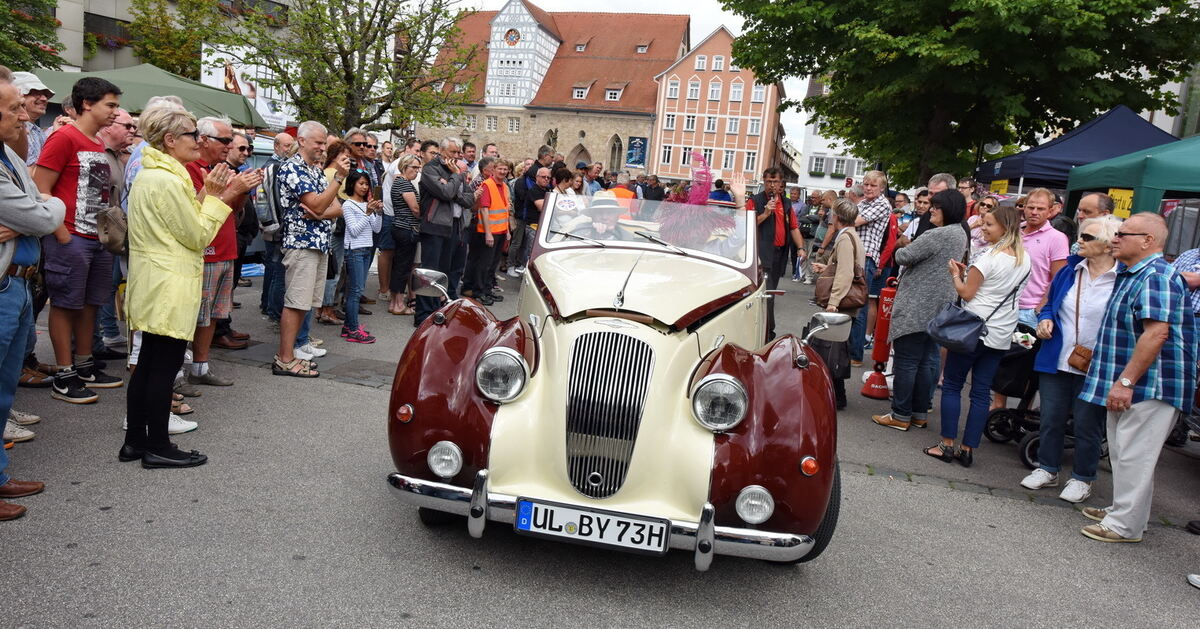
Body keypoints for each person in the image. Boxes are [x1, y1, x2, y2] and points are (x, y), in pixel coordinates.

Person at [124, 104, 234, 468]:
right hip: (167, 283)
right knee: (162, 366)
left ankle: (136, 441)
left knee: (149, 363)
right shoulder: (167, 179)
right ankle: (157, 445)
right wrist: (215, 196)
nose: (197, 141)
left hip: (155, 279)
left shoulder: (155, 173)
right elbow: (197, 234)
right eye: (191, 134)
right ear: (170, 140)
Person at [1076, 213, 1196, 543]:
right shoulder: (1136, 273)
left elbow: (1156, 334)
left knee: (1133, 454)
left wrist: (1126, 382)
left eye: (1124, 233)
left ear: (1148, 241)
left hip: (1150, 383)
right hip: (1137, 381)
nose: (1115, 238)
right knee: (1125, 451)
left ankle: (1124, 525)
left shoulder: (1156, 275)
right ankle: (1126, 513)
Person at [32, 77, 124, 403]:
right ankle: (65, 373)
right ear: (87, 103)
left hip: (97, 238)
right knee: (65, 304)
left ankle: (85, 364)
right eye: (110, 105)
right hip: (70, 237)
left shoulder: (96, 142)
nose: (115, 111)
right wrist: (60, 233)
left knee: (90, 303)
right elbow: (40, 185)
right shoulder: (63, 137)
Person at [1020, 215, 1122, 502]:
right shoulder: (1068, 270)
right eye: (1081, 235)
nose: (1079, 240)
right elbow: (1049, 304)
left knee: (1088, 424)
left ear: (1106, 245)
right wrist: (1046, 319)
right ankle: (1048, 468)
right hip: (1058, 356)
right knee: (1050, 418)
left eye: (1088, 237)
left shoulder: (1123, 277)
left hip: (1097, 363)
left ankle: (1082, 478)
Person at [0, 72, 64, 516]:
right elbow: (42, 216)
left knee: (5, 390)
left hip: (20, 281)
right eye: (13, 109)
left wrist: (41, 207)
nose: (23, 115)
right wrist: (41, 208)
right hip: (6, 282)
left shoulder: (8, 154)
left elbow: (42, 204)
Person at [925, 206, 1030, 467]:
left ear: (1005, 228)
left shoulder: (989, 258)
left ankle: (947, 444)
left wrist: (955, 275)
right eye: (983, 223)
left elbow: (967, 293)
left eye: (989, 224)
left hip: (972, 328)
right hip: (1001, 331)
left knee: (952, 385)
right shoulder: (1024, 259)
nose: (983, 228)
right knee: (981, 392)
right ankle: (968, 448)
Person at [872, 190, 968, 431]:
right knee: (926, 361)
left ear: (948, 209)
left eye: (936, 206)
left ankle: (900, 415)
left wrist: (903, 242)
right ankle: (918, 412)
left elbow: (904, 256)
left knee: (907, 361)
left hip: (918, 304)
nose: (931, 210)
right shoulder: (960, 233)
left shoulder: (937, 234)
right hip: (939, 305)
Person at [184, 119, 261, 388]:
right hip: (207, 250)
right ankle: (179, 372)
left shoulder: (219, 168)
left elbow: (233, 208)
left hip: (226, 247)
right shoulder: (190, 168)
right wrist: (235, 190)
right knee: (195, 315)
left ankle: (200, 367)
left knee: (214, 314)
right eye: (225, 141)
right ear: (204, 139)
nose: (230, 147)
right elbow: (200, 208)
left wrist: (243, 189)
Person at [274, 121, 349, 377]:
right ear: (302, 141)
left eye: (323, 142)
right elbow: (319, 205)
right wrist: (336, 181)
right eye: (318, 142)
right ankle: (285, 358)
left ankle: (292, 354)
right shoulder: (292, 168)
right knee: (295, 302)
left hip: (317, 244)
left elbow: (337, 208)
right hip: (301, 244)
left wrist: (319, 211)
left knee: (304, 304)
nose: (322, 147)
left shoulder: (314, 171)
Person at [992, 188, 1068, 410]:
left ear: (1052, 211)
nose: (1034, 212)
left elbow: (1058, 277)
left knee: (1024, 360)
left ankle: (1022, 412)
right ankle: (998, 406)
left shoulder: (1056, 238)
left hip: (1029, 313)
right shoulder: (1016, 232)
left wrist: (1041, 306)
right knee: (1001, 356)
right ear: (1023, 207)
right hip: (1006, 307)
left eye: (1040, 208)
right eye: (1030, 207)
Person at [810, 199, 865, 410]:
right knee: (836, 349)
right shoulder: (852, 236)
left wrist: (833, 302)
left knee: (831, 349)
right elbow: (844, 267)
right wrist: (825, 268)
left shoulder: (844, 239)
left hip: (842, 302)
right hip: (847, 300)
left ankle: (835, 396)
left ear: (837, 217)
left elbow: (845, 272)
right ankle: (836, 395)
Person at [414, 138, 474, 327]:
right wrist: (455, 180)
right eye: (454, 152)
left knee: (444, 272)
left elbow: (469, 198)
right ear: (442, 151)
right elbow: (446, 193)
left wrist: (452, 184)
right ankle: (422, 314)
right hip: (434, 225)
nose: (457, 156)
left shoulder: (455, 171)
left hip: (454, 226)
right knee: (430, 272)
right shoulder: (431, 169)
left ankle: (437, 310)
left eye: (459, 153)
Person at [747, 166, 805, 340]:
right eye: (768, 182)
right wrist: (765, 213)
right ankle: (767, 333)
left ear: (781, 184)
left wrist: (801, 248)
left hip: (780, 254)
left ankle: (765, 330)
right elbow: (747, 224)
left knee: (771, 293)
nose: (772, 185)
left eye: (775, 182)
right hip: (762, 253)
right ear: (764, 182)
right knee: (768, 295)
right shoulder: (755, 200)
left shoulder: (786, 204)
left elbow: (793, 227)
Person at [849, 170, 892, 364]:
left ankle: (855, 355)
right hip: (855, 255)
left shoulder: (882, 204)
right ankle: (849, 350)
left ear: (882, 188)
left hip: (866, 257)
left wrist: (844, 217)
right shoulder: (865, 203)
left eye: (873, 185)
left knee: (859, 305)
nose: (867, 188)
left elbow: (854, 221)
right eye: (866, 184)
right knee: (851, 302)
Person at [340, 169, 381, 343]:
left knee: (357, 289)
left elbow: (376, 229)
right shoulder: (348, 205)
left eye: (366, 184)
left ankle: (349, 326)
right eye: (361, 183)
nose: (364, 187)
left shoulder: (367, 204)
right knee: (355, 291)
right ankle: (353, 329)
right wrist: (368, 213)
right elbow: (354, 230)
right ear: (352, 184)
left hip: (366, 249)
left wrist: (378, 212)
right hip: (355, 250)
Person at [462, 158, 510, 306]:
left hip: (501, 230)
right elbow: (483, 210)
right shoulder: (487, 185)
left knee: (493, 263)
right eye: (500, 169)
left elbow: (505, 210)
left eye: (505, 169)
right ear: (494, 170)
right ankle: (479, 291)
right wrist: (488, 233)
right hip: (489, 231)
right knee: (484, 264)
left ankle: (487, 290)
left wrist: (507, 230)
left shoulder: (505, 186)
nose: (502, 172)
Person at [259, 131, 295, 324]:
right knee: (275, 271)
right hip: (276, 229)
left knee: (274, 270)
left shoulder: (280, 165)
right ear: (276, 146)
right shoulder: (273, 167)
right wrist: (273, 226)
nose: (289, 149)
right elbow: (270, 201)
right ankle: (272, 309)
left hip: (277, 228)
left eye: (291, 145)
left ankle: (268, 305)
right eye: (286, 146)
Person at [386, 154, 421, 316]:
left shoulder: (401, 182)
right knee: (403, 267)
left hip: (402, 227)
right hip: (406, 228)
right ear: (405, 167)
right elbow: (415, 209)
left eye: (418, 167)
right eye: (414, 167)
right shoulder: (403, 184)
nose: (416, 170)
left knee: (400, 265)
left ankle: (395, 302)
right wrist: (425, 217)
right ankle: (398, 304)